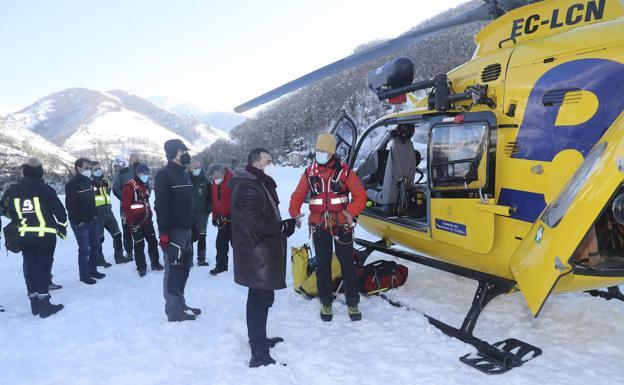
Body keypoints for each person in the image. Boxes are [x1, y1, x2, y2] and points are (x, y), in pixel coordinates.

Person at [230, 148, 297, 368]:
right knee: (259, 300)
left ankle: (259, 340)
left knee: (262, 299)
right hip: (256, 254)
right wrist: (282, 226)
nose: (272, 164)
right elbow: (256, 223)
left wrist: (284, 227)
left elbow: (264, 217)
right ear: (257, 163)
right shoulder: (248, 186)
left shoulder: (258, 182)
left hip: (261, 251)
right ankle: (258, 353)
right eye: (268, 161)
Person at [289, 133, 367, 322]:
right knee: (323, 265)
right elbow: (297, 196)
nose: (320, 153)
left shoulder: (345, 172)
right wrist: (295, 213)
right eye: (318, 150)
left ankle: (352, 302)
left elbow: (361, 196)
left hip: (341, 225)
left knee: (347, 264)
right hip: (319, 226)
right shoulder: (310, 172)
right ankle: (326, 301)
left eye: (323, 150)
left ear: (332, 152)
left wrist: (350, 212)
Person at [5, 158, 67, 317]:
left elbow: (5, 209)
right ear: (40, 173)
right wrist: (63, 227)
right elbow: (60, 213)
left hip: (24, 236)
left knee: (31, 268)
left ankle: (34, 304)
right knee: (44, 268)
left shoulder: (13, 190)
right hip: (45, 236)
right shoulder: (45, 189)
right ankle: (44, 304)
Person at [155, 139, 200, 322]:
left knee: (184, 269)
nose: (186, 155)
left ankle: (181, 304)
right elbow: (161, 206)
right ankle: (173, 310)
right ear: (174, 153)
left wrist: (194, 225)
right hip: (173, 231)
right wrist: (164, 233)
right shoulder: (164, 175)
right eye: (182, 151)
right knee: (173, 271)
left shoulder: (185, 174)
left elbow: (190, 204)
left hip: (187, 229)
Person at [65, 157, 106, 285]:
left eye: (89, 168)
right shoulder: (72, 184)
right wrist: (78, 221)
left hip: (92, 219)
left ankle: (93, 270)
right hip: (80, 223)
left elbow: (91, 201)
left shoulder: (89, 182)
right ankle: (84, 275)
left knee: (95, 246)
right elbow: (70, 205)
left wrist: (94, 216)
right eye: (86, 168)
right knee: (84, 249)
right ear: (78, 168)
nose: (89, 170)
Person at [122, 163, 163, 276]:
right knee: (139, 244)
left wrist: (149, 214)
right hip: (135, 221)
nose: (145, 175)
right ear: (137, 173)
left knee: (153, 241)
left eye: (147, 173)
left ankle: (155, 263)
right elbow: (125, 206)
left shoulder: (143, 185)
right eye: (143, 173)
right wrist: (132, 222)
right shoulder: (129, 186)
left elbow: (145, 202)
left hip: (146, 220)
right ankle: (141, 267)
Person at [92, 161, 132, 267]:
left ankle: (119, 256)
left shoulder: (105, 181)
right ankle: (99, 259)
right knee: (99, 237)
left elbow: (108, 193)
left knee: (117, 234)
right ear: (91, 171)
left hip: (108, 212)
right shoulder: (89, 182)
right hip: (97, 213)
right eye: (95, 169)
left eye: (99, 168)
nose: (98, 171)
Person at [207, 163, 234, 275]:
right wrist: (214, 217)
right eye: (212, 178)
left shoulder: (232, 182)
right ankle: (221, 266)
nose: (214, 180)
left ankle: (243, 267)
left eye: (216, 177)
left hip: (234, 220)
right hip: (222, 220)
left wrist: (234, 214)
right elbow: (215, 202)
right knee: (220, 244)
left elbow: (239, 200)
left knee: (237, 245)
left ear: (221, 173)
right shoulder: (214, 185)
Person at [113, 154, 141, 260]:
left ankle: (140, 250)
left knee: (141, 227)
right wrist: (125, 200)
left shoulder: (142, 170)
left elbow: (147, 186)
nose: (137, 161)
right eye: (135, 160)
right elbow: (115, 188)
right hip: (126, 206)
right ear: (130, 161)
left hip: (140, 205)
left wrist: (144, 197)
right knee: (127, 229)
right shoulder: (123, 172)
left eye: (139, 159)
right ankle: (129, 251)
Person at [189, 160, 212, 266]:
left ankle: (201, 258)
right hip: (188, 213)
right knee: (189, 236)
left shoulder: (205, 180)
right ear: (190, 168)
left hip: (202, 213)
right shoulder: (185, 179)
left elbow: (211, 196)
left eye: (198, 167)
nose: (197, 169)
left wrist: (209, 206)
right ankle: (189, 259)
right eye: (194, 168)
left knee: (202, 235)